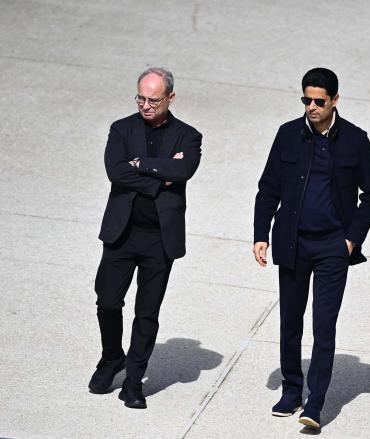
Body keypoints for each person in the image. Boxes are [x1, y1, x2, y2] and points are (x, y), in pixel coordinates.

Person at [253, 67, 370, 429]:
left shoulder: (355, 140)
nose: (311, 107)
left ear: (335, 100)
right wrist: (260, 234)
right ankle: (292, 391)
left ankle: (316, 403)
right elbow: (268, 188)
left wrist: (352, 238)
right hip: (292, 242)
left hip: (332, 247)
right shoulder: (288, 135)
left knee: (323, 326)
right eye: (306, 100)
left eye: (319, 101)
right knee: (290, 321)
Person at [88, 67, 202, 409]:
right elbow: (115, 171)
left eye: (153, 99)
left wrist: (139, 164)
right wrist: (158, 175)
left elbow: (183, 170)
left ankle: (134, 380)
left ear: (170, 97)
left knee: (146, 313)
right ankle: (112, 358)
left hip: (159, 239)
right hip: (122, 233)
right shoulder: (121, 129)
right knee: (108, 301)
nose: (146, 105)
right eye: (141, 97)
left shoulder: (188, 136)